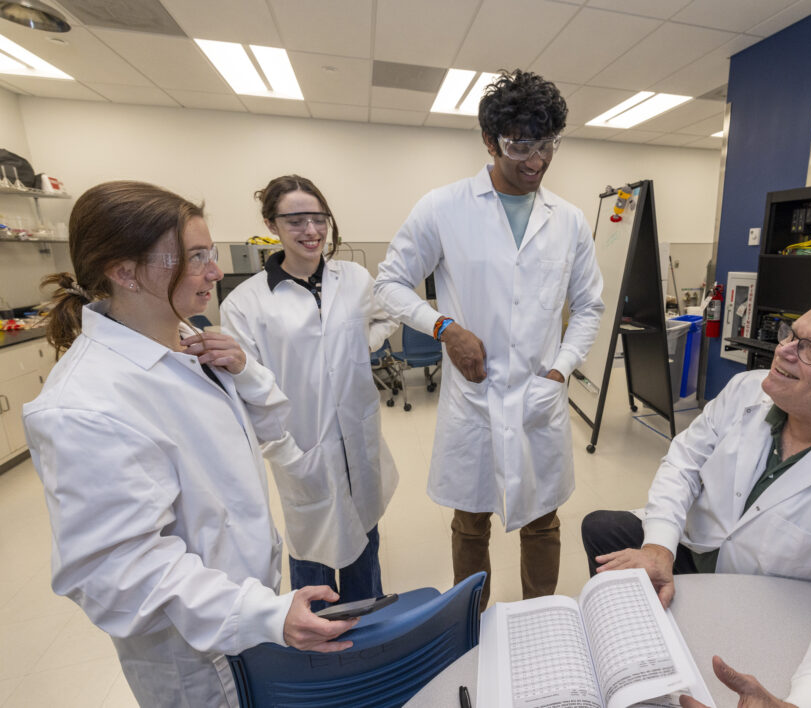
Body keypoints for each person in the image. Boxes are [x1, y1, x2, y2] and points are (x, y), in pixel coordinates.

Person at [23, 181, 357, 708]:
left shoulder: (187, 343)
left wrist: (245, 373)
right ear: (126, 272)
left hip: (244, 614)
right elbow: (116, 573)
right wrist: (259, 613)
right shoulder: (83, 405)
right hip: (195, 662)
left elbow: (270, 429)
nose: (217, 271)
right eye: (196, 257)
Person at [582, 288, 811, 708]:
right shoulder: (747, 390)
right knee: (604, 529)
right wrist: (657, 547)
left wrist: (808, 704)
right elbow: (683, 463)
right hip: (702, 550)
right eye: (792, 334)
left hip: (778, 606)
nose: (784, 351)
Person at [374, 69, 604, 609]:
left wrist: (561, 368)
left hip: (538, 396)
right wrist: (444, 329)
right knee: (471, 521)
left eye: (547, 145)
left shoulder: (568, 221)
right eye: (520, 144)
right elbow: (389, 283)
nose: (536, 161)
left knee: (543, 519)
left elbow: (590, 305)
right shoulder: (443, 207)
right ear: (488, 141)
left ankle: (541, 617)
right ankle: (471, 624)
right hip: (474, 398)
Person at [220, 175, 398, 609]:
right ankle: (319, 649)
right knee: (313, 559)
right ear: (271, 224)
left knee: (363, 542)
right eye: (296, 220)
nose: (312, 231)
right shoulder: (245, 303)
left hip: (357, 436)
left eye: (320, 219)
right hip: (300, 445)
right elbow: (247, 389)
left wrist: (361, 345)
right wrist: (285, 453)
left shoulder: (353, 278)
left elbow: (388, 315)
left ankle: (368, 632)